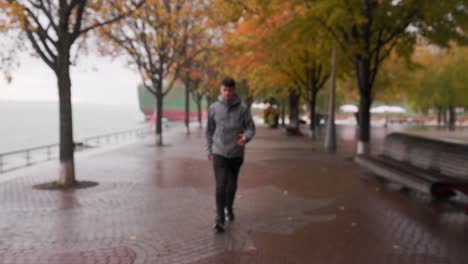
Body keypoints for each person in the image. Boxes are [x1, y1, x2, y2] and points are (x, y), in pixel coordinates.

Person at [205, 77, 256, 233]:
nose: (227, 93)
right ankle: (219, 220)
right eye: (224, 90)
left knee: (232, 185)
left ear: (234, 90)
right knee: (221, 185)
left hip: (236, 153)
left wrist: (246, 137)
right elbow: (209, 131)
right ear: (221, 90)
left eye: (230, 90)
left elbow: (250, 128)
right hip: (219, 152)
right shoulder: (213, 108)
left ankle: (229, 208)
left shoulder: (243, 109)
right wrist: (209, 150)